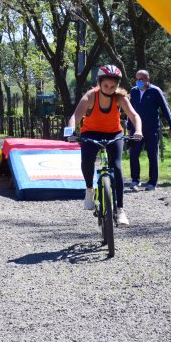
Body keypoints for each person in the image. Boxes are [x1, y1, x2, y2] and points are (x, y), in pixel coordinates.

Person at [67, 65, 143, 227]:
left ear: (117, 86)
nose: (109, 89)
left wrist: (138, 130)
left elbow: (134, 115)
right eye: (106, 86)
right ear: (100, 83)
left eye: (113, 87)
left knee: (117, 167)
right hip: (90, 133)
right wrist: (70, 132)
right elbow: (75, 117)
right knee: (86, 162)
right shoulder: (90, 96)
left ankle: (120, 210)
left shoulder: (120, 98)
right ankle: (89, 190)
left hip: (114, 134)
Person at [127, 70, 171, 191]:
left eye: (141, 79)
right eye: (136, 79)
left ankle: (152, 182)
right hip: (135, 129)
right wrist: (128, 126)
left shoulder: (155, 91)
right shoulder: (133, 91)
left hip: (151, 129)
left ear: (147, 80)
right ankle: (135, 180)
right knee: (133, 154)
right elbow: (130, 110)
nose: (138, 82)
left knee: (152, 155)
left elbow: (165, 108)